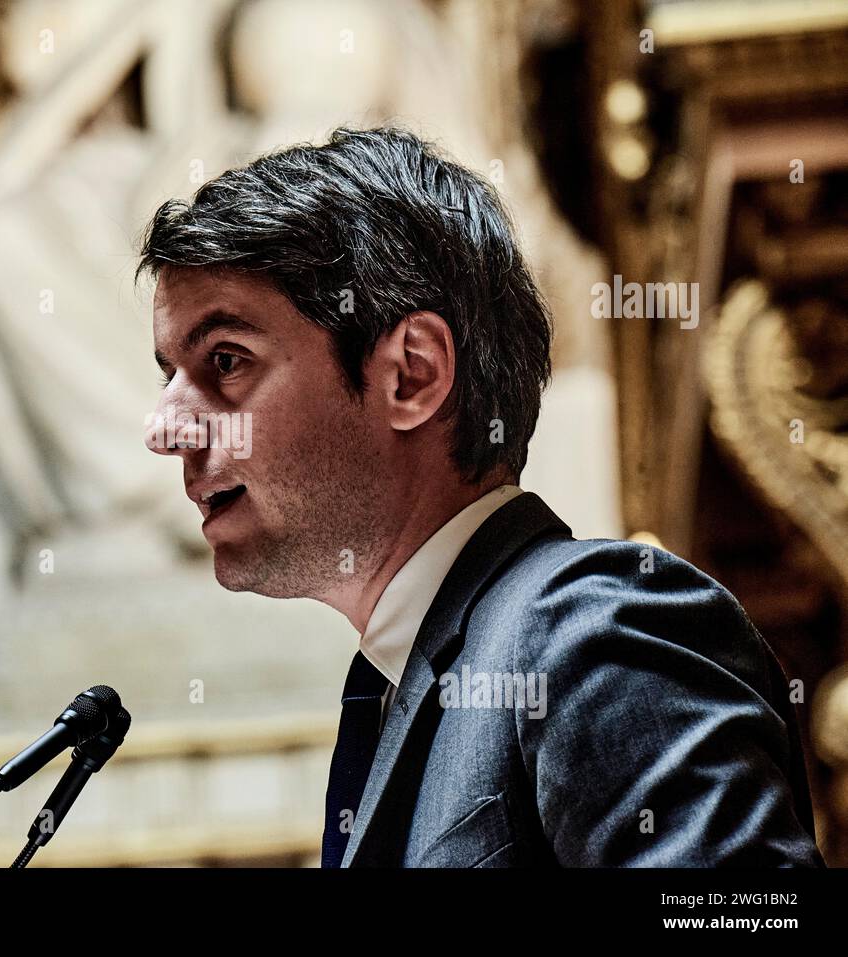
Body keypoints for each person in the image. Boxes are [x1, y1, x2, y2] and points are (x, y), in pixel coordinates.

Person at [136, 127, 823, 867]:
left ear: (412, 373)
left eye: (227, 360)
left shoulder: (594, 633)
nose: (165, 428)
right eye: (168, 375)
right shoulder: (395, 684)